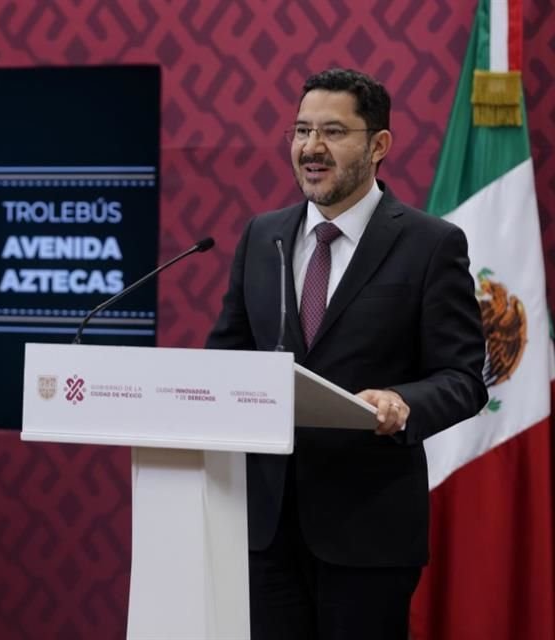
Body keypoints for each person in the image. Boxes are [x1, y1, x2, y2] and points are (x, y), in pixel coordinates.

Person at [205, 68, 487, 639]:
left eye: (333, 132)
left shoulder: (430, 244)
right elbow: (227, 359)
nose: (311, 148)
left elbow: (464, 377)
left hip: (369, 532)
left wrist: (403, 403)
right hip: (265, 529)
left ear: (378, 144)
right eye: (301, 130)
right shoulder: (264, 236)